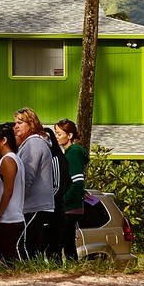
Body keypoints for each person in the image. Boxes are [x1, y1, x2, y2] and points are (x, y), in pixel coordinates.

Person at [14, 109, 59, 260]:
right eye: (15, 123)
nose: (16, 127)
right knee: (33, 247)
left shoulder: (33, 143)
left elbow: (26, 176)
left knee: (23, 245)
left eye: (20, 123)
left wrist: (14, 199)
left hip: (33, 204)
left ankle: (28, 276)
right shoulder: (36, 142)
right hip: (34, 204)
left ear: (31, 124)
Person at [0, 124, 26, 263]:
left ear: (4, 140)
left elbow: (8, 190)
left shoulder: (9, 160)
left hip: (8, 220)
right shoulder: (7, 159)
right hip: (5, 219)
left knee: (6, 260)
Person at [54, 119, 89, 258]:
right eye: (56, 133)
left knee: (59, 241)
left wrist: (64, 200)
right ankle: (72, 264)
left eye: (59, 134)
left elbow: (77, 181)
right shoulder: (70, 152)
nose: (56, 137)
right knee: (69, 243)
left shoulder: (73, 153)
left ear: (69, 136)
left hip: (70, 207)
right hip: (73, 206)